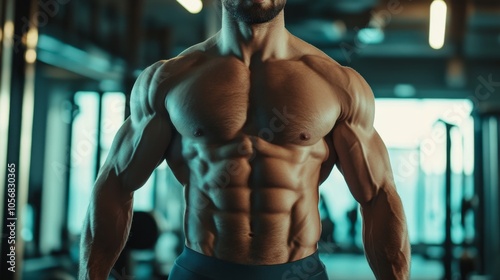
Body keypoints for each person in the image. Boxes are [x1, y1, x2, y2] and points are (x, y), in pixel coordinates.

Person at [79, 0, 411, 279]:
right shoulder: (170, 80)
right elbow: (116, 185)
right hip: (201, 270)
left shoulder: (336, 83)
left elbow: (378, 196)